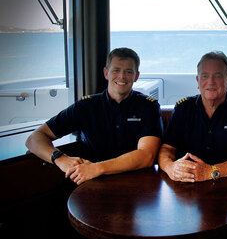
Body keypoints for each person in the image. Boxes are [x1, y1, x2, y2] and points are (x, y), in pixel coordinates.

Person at [26, 47, 163, 185]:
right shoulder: (86, 106)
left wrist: (96, 168)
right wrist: (61, 159)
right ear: (106, 73)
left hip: (136, 182)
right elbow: (34, 138)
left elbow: (146, 156)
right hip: (92, 182)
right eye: (116, 70)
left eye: (128, 72)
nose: (122, 76)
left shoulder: (148, 106)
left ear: (136, 76)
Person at [158, 51, 227, 182]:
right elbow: (167, 149)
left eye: (217, 76)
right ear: (198, 81)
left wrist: (211, 172)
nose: (211, 82)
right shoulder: (183, 108)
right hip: (187, 185)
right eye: (205, 76)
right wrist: (170, 167)